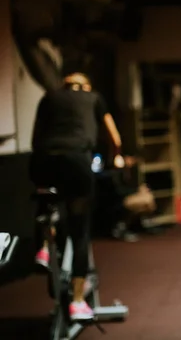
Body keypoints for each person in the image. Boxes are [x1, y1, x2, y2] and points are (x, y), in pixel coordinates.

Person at [30, 72, 123, 321]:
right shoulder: (93, 98)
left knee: (47, 200)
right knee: (79, 230)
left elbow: (36, 137)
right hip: (76, 160)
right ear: (86, 86)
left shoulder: (49, 97)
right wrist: (116, 157)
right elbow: (114, 137)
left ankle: (43, 247)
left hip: (43, 161)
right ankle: (78, 301)